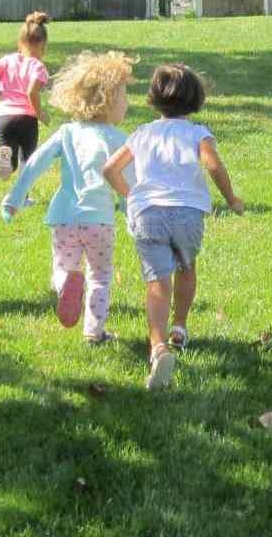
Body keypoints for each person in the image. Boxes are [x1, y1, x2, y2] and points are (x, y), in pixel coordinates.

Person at [104, 63, 244, 391]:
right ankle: (179, 328)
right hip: (187, 214)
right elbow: (212, 164)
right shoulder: (197, 133)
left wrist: (131, 195)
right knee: (186, 267)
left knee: (156, 281)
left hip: (147, 213)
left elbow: (110, 169)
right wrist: (232, 198)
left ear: (153, 99)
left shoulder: (141, 134)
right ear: (196, 99)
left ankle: (157, 346)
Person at [2, 51, 135, 345]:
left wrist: (14, 198)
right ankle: (94, 332)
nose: (127, 104)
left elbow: (35, 163)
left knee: (64, 268)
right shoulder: (117, 138)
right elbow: (131, 180)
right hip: (99, 220)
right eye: (124, 97)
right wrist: (132, 211)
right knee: (100, 276)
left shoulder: (66, 132)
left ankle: (64, 285)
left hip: (64, 218)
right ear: (108, 101)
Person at [0, 11, 51, 181]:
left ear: (19, 44)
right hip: (27, 119)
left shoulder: (8, 60)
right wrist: (40, 113)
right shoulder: (39, 67)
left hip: (4, 116)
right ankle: (24, 197)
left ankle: (5, 157)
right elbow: (31, 92)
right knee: (27, 159)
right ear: (43, 46)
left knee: (8, 151)